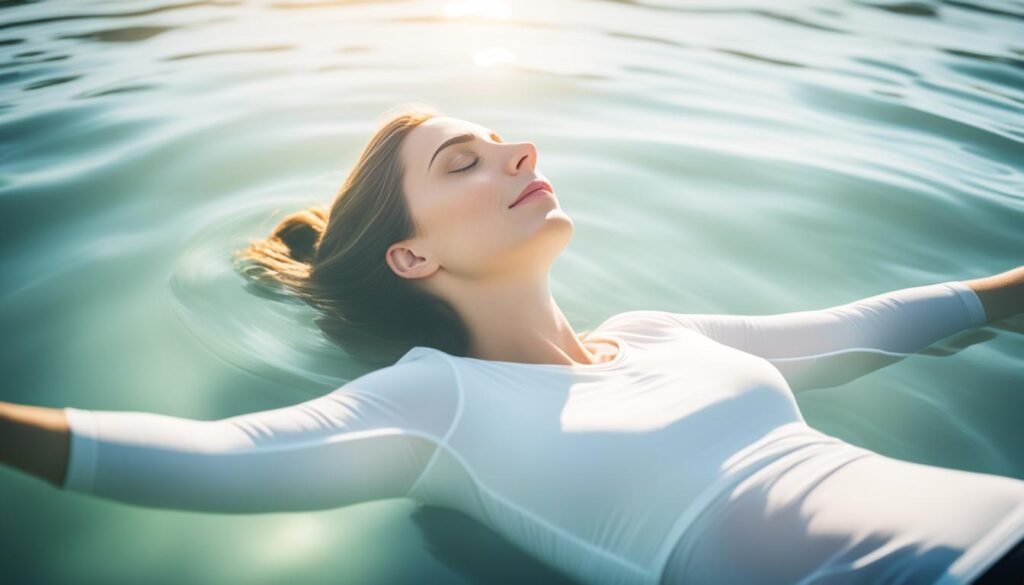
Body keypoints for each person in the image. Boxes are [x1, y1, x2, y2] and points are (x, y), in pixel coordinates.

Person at [2, 104, 1023, 585]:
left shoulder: (656, 334)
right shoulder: (436, 405)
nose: (520, 150)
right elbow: (205, 459)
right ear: (410, 259)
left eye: (503, 141)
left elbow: (869, 326)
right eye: (465, 161)